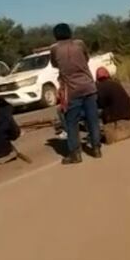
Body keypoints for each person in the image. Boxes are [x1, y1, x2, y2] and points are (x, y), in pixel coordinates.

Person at [49, 23, 102, 164]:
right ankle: (96, 149)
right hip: (88, 86)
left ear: (56, 35)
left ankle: (75, 154)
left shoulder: (54, 49)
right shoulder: (80, 44)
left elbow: (54, 64)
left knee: (71, 123)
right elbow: (87, 58)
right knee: (92, 119)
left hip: (71, 90)